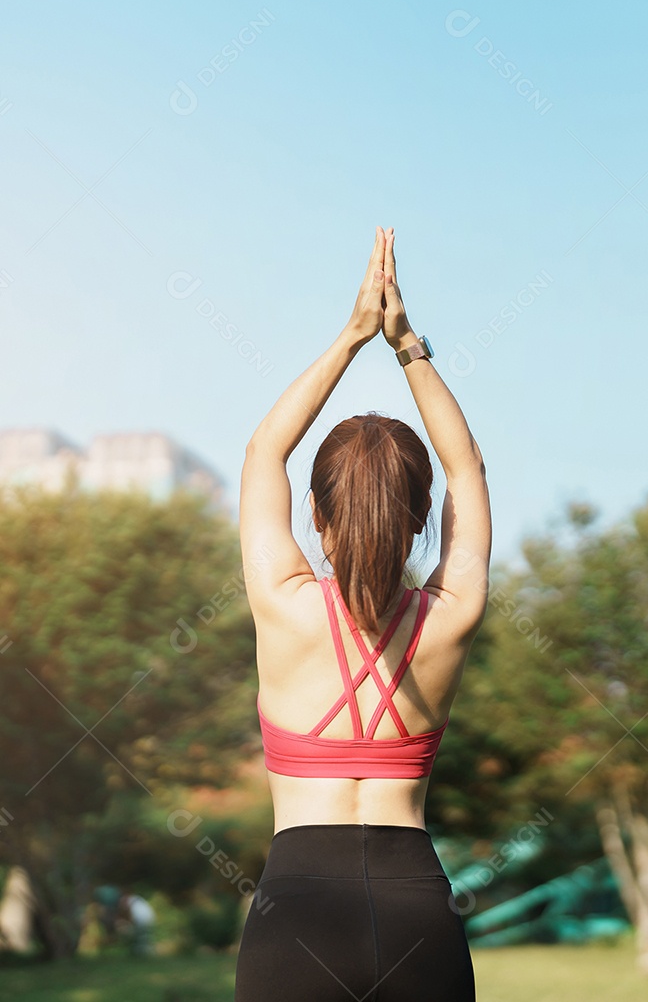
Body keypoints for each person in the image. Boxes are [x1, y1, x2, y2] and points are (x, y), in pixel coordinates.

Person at [234, 226, 491, 1001]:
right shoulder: (449, 615)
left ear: (314, 511)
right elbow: (466, 467)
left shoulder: (283, 605)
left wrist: (353, 336)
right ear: (423, 517)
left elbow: (262, 454)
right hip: (418, 913)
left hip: (295, 918)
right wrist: (406, 344)